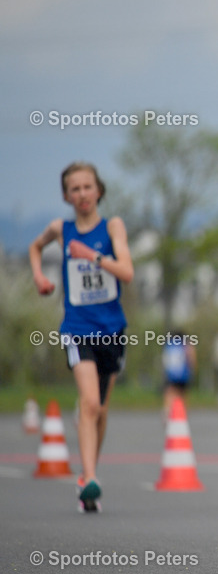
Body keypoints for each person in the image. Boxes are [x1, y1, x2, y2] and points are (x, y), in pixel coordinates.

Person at [29, 162, 134, 513]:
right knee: (89, 403)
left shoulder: (112, 227)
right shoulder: (61, 229)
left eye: (87, 187)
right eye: (74, 189)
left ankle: (90, 469)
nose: (82, 195)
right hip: (77, 328)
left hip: (112, 329)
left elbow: (127, 273)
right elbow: (34, 247)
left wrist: (94, 257)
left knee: (100, 409)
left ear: (99, 190)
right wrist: (39, 278)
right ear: (65, 195)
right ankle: (88, 478)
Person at [162, 331, 198, 415]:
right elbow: (191, 357)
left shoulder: (169, 344)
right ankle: (182, 413)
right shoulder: (186, 344)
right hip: (183, 374)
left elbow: (165, 359)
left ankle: (167, 411)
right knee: (183, 394)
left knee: (170, 393)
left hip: (171, 374)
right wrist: (193, 370)